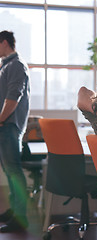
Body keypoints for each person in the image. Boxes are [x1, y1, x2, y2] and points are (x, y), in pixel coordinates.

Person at [0, 30, 30, 232]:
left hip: (9, 125)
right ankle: (15, 210)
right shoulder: (7, 65)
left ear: (4, 43)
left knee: (13, 171)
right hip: (5, 125)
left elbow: (13, 97)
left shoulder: (16, 65)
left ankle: (21, 218)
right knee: (9, 171)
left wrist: (0, 120)